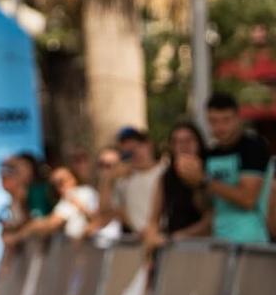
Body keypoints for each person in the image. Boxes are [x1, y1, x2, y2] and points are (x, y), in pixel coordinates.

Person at [193, 93, 272, 243]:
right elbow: (204, 206)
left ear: (237, 119)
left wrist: (204, 180)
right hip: (219, 239)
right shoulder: (209, 153)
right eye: (213, 121)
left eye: (226, 120)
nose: (220, 127)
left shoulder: (253, 147)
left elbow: (248, 199)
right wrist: (194, 182)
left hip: (252, 241)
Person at [143, 121, 212, 250]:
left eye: (188, 140)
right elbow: (154, 218)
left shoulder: (209, 171)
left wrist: (198, 181)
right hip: (173, 247)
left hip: (202, 247)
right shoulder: (166, 177)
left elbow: (211, 218)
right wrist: (151, 241)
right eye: (177, 142)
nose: (183, 146)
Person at [100, 128, 165, 235]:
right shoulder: (124, 180)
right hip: (139, 241)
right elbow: (105, 212)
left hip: (167, 238)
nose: (135, 154)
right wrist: (109, 179)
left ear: (149, 144)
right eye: (128, 153)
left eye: (137, 147)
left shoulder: (165, 171)